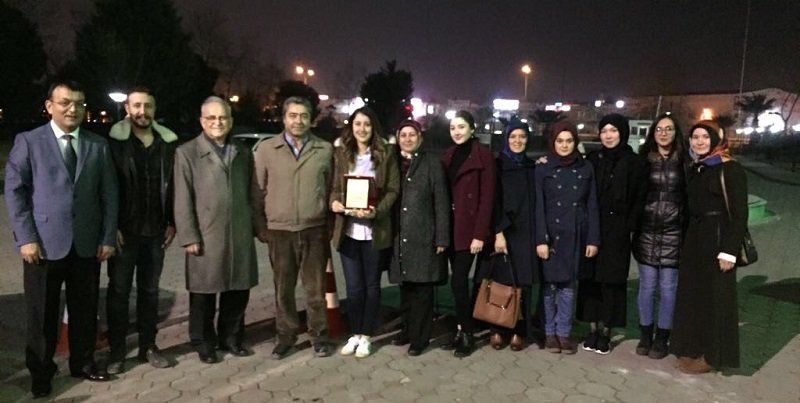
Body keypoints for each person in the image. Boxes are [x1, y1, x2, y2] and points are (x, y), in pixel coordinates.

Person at [4, 80, 118, 398]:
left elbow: (109, 195)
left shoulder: (97, 145)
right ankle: (42, 372)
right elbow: (15, 192)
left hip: (86, 243)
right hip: (42, 244)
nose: (73, 108)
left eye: (79, 103)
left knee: (84, 309)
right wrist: (26, 238)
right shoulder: (29, 142)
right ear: (49, 106)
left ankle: (82, 363)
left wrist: (108, 236)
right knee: (42, 314)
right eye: (65, 102)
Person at [174, 96, 264, 364]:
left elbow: (252, 191)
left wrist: (256, 225)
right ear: (202, 121)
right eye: (211, 118)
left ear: (231, 121)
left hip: (239, 230)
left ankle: (231, 338)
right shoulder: (187, 153)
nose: (217, 122)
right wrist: (188, 235)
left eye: (223, 117)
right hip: (205, 233)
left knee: (238, 289)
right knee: (203, 292)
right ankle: (203, 341)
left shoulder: (242, 152)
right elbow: (182, 198)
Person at [254, 96, 335, 359]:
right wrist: (261, 226)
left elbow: (332, 189)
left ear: (311, 119)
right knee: (283, 290)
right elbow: (257, 191)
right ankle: (285, 336)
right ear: (284, 118)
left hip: (314, 229)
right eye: (293, 115)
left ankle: (319, 336)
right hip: (280, 231)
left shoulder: (324, 150)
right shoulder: (267, 149)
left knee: (315, 290)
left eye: (303, 116)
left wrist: (330, 225)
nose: (298, 121)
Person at [106, 87, 177, 374]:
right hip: (124, 233)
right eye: (136, 105)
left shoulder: (167, 143)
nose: (142, 111)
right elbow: (107, 187)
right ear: (127, 109)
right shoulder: (115, 143)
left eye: (147, 106)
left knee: (150, 292)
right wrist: (111, 226)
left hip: (156, 233)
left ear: (154, 109)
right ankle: (117, 351)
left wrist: (172, 222)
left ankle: (149, 346)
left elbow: (174, 187)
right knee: (119, 293)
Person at [672, 120, 747, 374]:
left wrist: (729, 251)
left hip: (717, 240)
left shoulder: (730, 168)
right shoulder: (698, 167)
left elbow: (740, 214)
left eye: (705, 136)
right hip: (696, 239)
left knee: (715, 299)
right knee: (694, 296)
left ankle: (712, 356)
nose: (700, 141)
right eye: (695, 137)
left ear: (716, 139)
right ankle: (693, 347)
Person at [330, 107, 399, 358]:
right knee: (353, 288)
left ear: (374, 128)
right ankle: (355, 333)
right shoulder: (341, 153)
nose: (362, 129)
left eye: (367, 124)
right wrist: (334, 203)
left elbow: (393, 189)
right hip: (348, 232)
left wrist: (376, 211)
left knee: (371, 287)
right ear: (351, 126)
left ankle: (367, 336)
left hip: (374, 233)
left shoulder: (385, 154)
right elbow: (335, 188)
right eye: (357, 124)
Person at [578, 113, 646, 355]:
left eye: (613, 131)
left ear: (622, 133)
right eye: (604, 131)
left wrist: (629, 225)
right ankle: (592, 328)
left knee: (612, 282)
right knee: (590, 280)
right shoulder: (593, 159)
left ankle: (606, 330)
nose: (608, 136)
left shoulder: (635, 162)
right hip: (593, 227)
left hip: (618, 230)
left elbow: (640, 197)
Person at [534, 121, 600, 354]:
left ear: (575, 142)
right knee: (549, 287)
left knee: (569, 287)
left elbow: (592, 205)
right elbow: (539, 206)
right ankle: (549, 332)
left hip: (575, 234)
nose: (564, 145)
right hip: (552, 235)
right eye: (560, 141)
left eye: (569, 141)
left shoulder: (585, 167)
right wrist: (541, 239)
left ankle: (563, 332)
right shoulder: (543, 168)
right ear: (553, 142)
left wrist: (593, 239)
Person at [387, 120, 450, 356]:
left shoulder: (432, 163)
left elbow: (441, 202)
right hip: (399, 235)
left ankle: (420, 338)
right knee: (405, 287)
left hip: (423, 235)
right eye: (403, 135)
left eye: (412, 135)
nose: (407, 139)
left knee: (422, 290)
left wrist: (441, 237)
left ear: (420, 138)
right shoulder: (392, 162)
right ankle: (407, 329)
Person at [477, 121, 538, 351]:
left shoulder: (531, 166)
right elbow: (492, 200)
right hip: (503, 230)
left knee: (522, 284)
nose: (517, 141)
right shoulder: (497, 165)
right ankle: (496, 328)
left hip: (525, 232)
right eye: (513, 137)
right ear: (506, 139)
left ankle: (518, 330)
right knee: (499, 281)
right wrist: (498, 232)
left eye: (522, 137)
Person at [440, 110, 496, 357]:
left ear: (472, 129)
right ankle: (461, 328)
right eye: (453, 128)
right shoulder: (448, 155)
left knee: (459, 281)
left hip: (469, 229)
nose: (457, 132)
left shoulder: (483, 155)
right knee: (458, 284)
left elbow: (487, 198)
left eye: (461, 127)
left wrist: (479, 234)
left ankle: (467, 334)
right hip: (451, 228)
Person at [632, 114, 686, 360]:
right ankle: (645, 334)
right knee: (646, 287)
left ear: (676, 133)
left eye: (669, 129)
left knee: (668, 289)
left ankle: (663, 337)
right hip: (647, 231)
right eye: (659, 129)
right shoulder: (643, 160)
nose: (664, 133)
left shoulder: (685, 161)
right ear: (653, 133)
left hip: (674, 233)